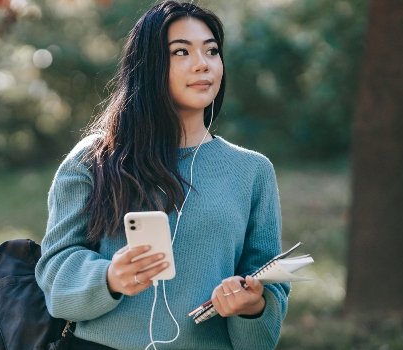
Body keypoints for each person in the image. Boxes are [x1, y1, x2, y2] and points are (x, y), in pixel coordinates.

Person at [34, 1, 289, 349]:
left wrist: (252, 305)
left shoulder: (252, 171)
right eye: (181, 52)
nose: (202, 64)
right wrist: (109, 276)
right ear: (149, 65)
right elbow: (55, 273)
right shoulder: (96, 158)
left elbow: (268, 303)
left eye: (211, 51)